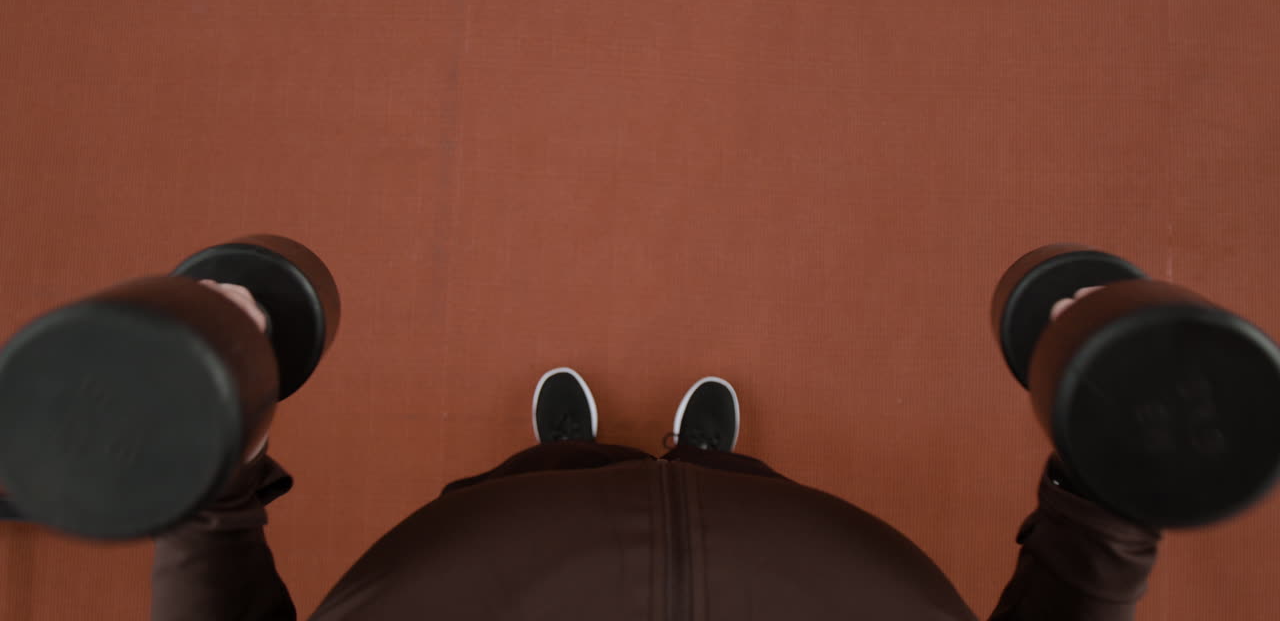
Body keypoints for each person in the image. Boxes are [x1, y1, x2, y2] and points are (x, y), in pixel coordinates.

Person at [151, 284, 1158, 620]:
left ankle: (572, 462)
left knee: (533, 493)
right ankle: (695, 465)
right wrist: (1112, 486)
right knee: (736, 493)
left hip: (509, 554)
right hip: (790, 560)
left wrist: (1110, 504)